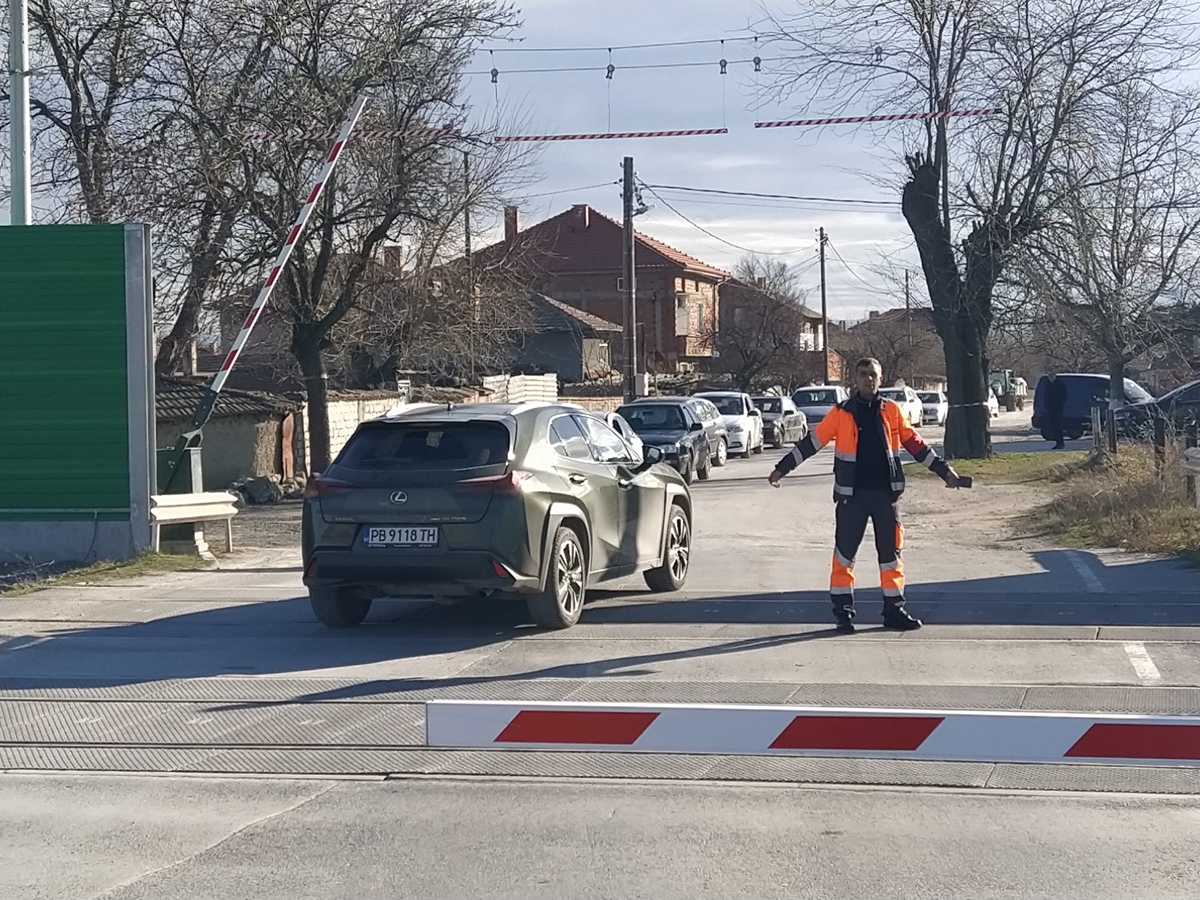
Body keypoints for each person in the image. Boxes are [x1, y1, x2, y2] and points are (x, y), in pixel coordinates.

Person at [768, 357, 962, 633]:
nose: (868, 379)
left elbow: (916, 445)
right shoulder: (841, 413)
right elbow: (812, 443)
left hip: (886, 496)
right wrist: (781, 469)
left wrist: (945, 472)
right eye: (863, 374)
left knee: (891, 557)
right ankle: (843, 615)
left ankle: (894, 612)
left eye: (873, 375)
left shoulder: (892, 412)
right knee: (844, 556)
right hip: (852, 498)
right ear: (854, 379)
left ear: (880, 380)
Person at [1044, 372, 1067, 449]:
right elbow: (1045, 396)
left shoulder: (1060, 384)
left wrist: (1059, 404)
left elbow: (1064, 396)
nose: (1051, 377)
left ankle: (1061, 442)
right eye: (1049, 376)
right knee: (1053, 426)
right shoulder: (1048, 384)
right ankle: (1058, 442)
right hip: (1050, 408)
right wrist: (1046, 405)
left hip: (1058, 408)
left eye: (1052, 376)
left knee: (1058, 426)